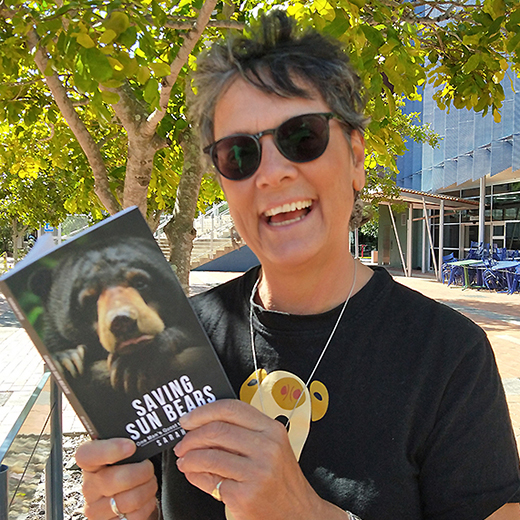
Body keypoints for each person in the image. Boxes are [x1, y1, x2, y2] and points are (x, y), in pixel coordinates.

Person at [75, 12, 520, 520]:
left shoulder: (449, 357)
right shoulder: (177, 341)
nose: (271, 173)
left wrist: (309, 513)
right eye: (239, 154)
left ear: (356, 157)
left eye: (301, 136)